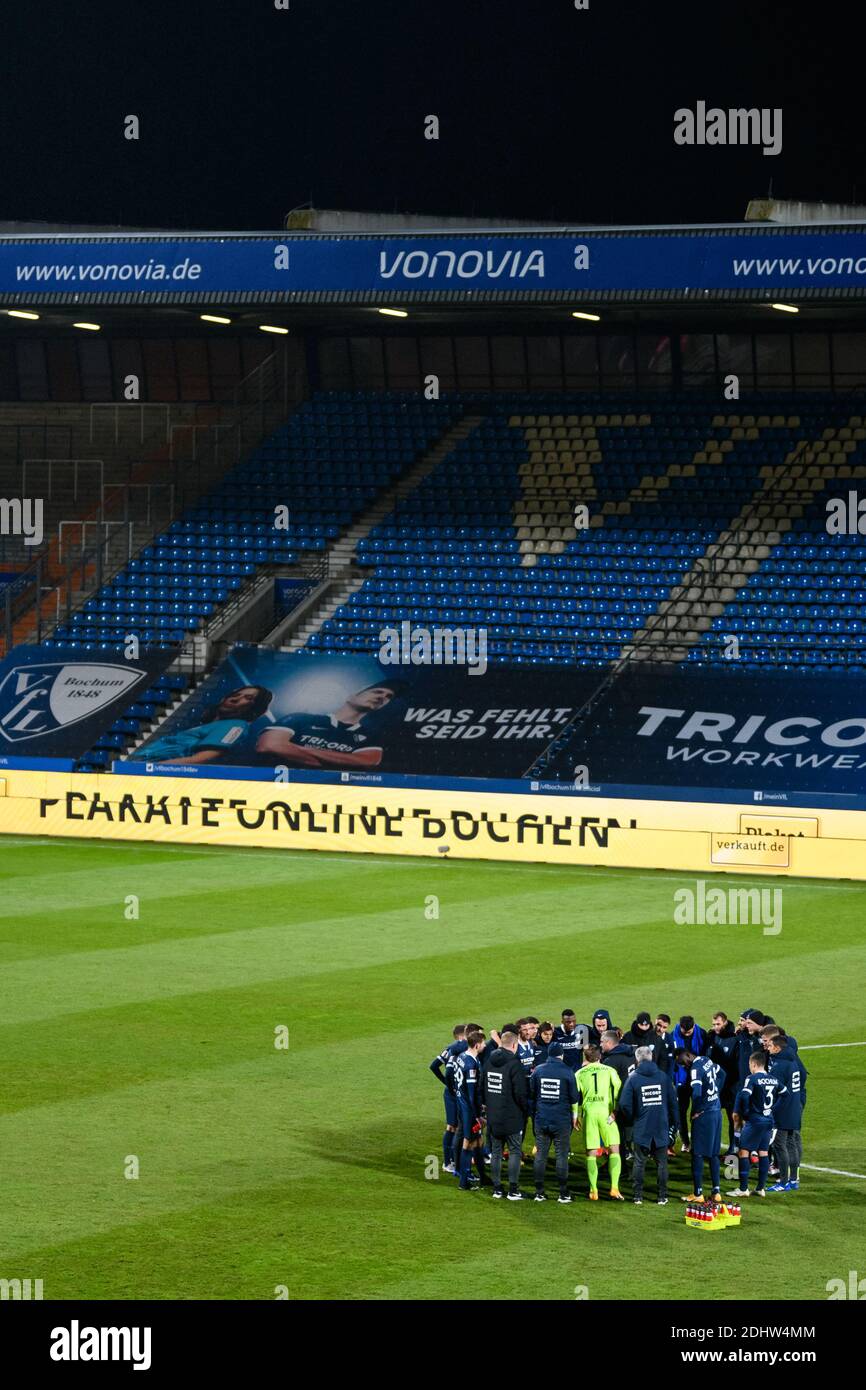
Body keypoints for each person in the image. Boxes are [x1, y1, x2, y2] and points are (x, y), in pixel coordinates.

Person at [255, 680, 405, 771]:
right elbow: (268, 745)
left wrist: (299, 750)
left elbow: (368, 761)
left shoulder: (371, 736)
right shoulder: (300, 718)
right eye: (377, 691)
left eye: (388, 697)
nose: (382, 697)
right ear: (352, 696)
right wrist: (336, 762)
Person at [143, 685, 273, 764]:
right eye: (235, 694)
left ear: (255, 708)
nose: (235, 698)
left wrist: (154, 768)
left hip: (150, 768)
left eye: (248, 698)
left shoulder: (235, 725)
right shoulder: (212, 725)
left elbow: (201, 759)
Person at [618, 1045, 678, 1205]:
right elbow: (673, 1104)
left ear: (637, 1060)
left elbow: (624, 1104)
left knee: (639, 1162)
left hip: (642, 1127)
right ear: (651, 1057)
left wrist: (632, 1118)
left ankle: (638, 1196)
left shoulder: (633, 1078)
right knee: (661, 1163)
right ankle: (662, 1196)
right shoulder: (663, 1077)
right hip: (661, 1127)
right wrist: (674, 1125)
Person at [729, 1050, 787, 1199]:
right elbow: (785, 1094)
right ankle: (760, 1188)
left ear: (754, 1064)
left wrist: (747, 1111)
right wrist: (772, 1108)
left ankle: (743, 1189)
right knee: (763, 1152)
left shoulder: (752, 1078)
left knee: (744, 1152)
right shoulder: (773, 1079)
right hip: (769, 1121)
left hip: (755, 1121)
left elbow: (745, 1095)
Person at [482, 1030, 530, 1200]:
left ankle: (497, 1188)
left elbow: (482, 1087)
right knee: (515, 1151)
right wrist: (526, 1110)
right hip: (512, 1117)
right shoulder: (515, 1064)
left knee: (496, 1152)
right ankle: (513, 1190)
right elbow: (520, 1093)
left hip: (494, 1117)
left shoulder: (489, 1061)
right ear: (515, 1045)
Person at [529, 1048, 579, 1203]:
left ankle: (539, 1192)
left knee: (540, 1155)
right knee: (561, 1156)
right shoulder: (567, 1071)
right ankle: (563, 1193)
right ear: (561, 1055)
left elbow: (532, 1094)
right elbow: (574, 1097)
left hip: (542, 1119)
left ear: (548, 1054)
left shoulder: (538, 1070)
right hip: (561, 1121)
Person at [576, 1044, 623, 1201]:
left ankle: (593, 1190)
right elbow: (618, 1088)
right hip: (606, 1114)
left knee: (591, 1153)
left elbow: (575, 1097)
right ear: (600, 1056)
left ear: (586, 1058)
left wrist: (574, 1116)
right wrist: (615, 1110)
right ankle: (614, 1188)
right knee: (614, 1148)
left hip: (589, 1114)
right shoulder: (609, 1070)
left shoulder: (579, 1073)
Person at [764, 1029, 808, 1192]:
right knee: (792, 1142)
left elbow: (774, 1091)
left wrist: (770, 1109)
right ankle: (794, 1180)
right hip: (794, 1107)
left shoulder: (779, 1066)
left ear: (777, 1048)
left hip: (782, 1109)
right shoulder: (793, 1061)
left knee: (779, 1144)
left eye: (770, 1046)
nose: (768, 1048)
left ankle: (782, 1182)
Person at [677, 1047, 723, 1204]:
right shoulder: (706, 1060)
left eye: (682, 1062)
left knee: (697, 1153)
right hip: (717, 1112)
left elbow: (696, 1093)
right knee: (714, 1154)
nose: (683, 1066)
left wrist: (697, 1111)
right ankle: (716, 1192)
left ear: (688, 1055)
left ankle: (698, 1193)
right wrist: (715, 1094)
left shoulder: (695, 1069)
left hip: (705, 1116)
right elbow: (722, 1074)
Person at [453, 1029, 489, 1191]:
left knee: (479, 1142)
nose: (485, 1046)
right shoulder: (471, 1064)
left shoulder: (461, 1057)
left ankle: (483, 1176)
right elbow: (471, 1092)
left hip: (462, 1105)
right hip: (469, 1111)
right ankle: (463, 1181)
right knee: (468, 1143)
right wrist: (477, 1116)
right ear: (476, 1045)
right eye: (483, 1043)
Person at [429, 1025, 466, 1174]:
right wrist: (447, 1083)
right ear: (461, 1036)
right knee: (452, 1127)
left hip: (455, 1092)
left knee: (460, 1127)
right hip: (452, 1094)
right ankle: (447, 1162)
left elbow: (434, 1066)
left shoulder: (450, 1048)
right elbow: (433, 1066)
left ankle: (457, 1159)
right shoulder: (453, 1048)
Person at [704, 1011, 739, 1154]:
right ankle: (712, 1148)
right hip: (716, 1086)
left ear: (725, 1022)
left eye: (718, 1024)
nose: (715, 1027)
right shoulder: (711, 1037)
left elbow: (737, 1064)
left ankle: (734, 1147)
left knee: (733, 1119)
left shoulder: (735, 1038)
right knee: (713, 1117)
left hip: (731, 1086)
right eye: (713, 1024)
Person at [672, 1015, 706, 1151]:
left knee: (698, 1111)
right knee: (681, 1112)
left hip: (697, 1079)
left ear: (694, 1026)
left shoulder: (702, 1034)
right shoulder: (672, 1036)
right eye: (684, 1031)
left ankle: (698, 1141)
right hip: (681, 1080)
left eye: (689, 1031)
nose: (686, 1033)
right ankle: (686, 1142)